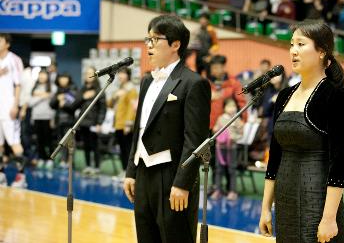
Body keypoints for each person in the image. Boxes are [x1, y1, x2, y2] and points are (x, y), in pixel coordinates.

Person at [259, 20, 344, 243]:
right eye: (292, 44)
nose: (293, 50)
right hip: (285, 197)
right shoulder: (284, 95)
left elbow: (339, 162)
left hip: (318, 198)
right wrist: (265, 208)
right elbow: (275, 157)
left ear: (321, 51)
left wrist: (329, 218)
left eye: (301, 44)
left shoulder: (334, 95)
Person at [123, 15, 211, 243]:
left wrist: (182, 183)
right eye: (147, 39)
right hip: (143, 173)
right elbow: (139, 131)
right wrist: (131, 172)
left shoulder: (194, 83)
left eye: (155, 39)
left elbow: (196, 141)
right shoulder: (146, 81)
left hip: (171, 176)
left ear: (175, 44)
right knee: (146, 236)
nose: (149, 46)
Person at [0, 33, 26, 188]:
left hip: (9, 108)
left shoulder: (14, 60)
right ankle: (1, 174)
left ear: (7, 44)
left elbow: (18, 85)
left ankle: (21, 176)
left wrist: (16, 105)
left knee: (15, 143)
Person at [69, 66, 106, 176]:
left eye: (91, 73)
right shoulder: (82, 90)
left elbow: (102, 108)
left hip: (94, 123)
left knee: (95, 145)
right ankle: (88, 165)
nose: (88, 75)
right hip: (83, 122)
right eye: (86, 73)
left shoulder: (100, 90)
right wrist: (83, 97)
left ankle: (97, 167)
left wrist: (100, 122)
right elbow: (74, 105)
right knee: (86, 146)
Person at [211, 98, 244, 201]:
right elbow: (214, 131)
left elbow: (241, 134)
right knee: (218, 169)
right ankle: (218, 190)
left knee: (232, 170)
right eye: (229, 106)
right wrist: (216, 130)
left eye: (233, 106)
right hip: (220, 149)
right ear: (224, 108)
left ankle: (233, 191)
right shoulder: (221, 118)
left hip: (232, 149)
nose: (231, 108)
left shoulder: (237, 119)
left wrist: (233, 138)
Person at [29, 69, 55, 170]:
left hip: (47, 117)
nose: (42, 77)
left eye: (44, 75)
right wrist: (43, 96)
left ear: (47, 76)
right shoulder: (34, 87)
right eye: (40, 75)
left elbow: (53, 104)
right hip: (36, 117)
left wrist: (38, 95)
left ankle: (50, 159)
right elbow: (30, 103)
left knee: (48, 140)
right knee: (39, 140)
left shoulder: (52, 87)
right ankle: (41, 157)